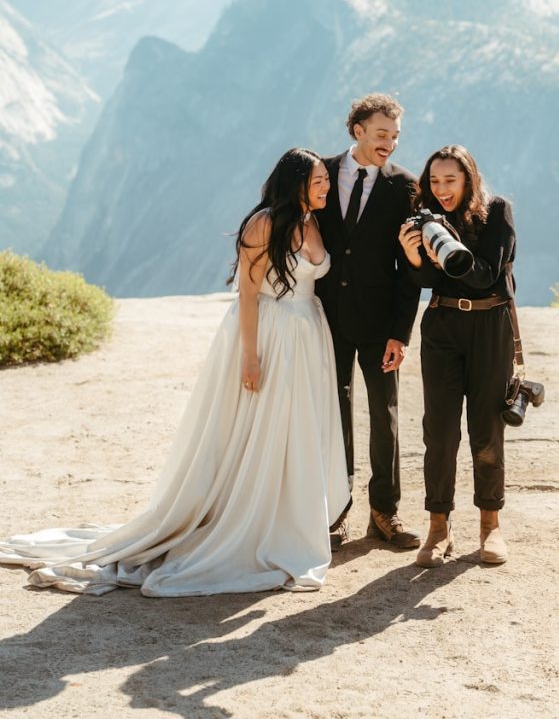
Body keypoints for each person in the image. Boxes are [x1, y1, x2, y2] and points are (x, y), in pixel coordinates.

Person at [0, 149, 350, 595]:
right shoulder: (264, 224)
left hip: (307, 337)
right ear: (296, 182)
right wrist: (250, 355)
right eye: (319, 180)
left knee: (297, 430)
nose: (325, 187)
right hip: (271, 334)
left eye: (325, 180)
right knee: (261, 428)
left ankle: (290, 519)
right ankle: (246, 521)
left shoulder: (312, 221)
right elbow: (246, 293)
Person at [398, 144, 516, 567]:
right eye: (434, 180)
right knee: (440, 431)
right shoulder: (428, 219)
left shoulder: (497, 213)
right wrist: (415, 253)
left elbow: (486, 276)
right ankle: (438, 527)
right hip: (443, 327)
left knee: (487, 430)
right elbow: (425, 280)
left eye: (450, 180)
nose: (441, 188)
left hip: (490, 327)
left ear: (469, 178)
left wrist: (451, 251)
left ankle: (490, 525)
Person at [316, 93, 421, 550]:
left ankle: (385, 512)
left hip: (381, 325)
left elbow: (410, 269)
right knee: (332, 413)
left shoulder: (405, 187)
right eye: (382, 134)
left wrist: (401, 332)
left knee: (386, 414)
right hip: (323, 318)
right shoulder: (317, 172)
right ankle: (335, 512)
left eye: (395, 136)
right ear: (357, 130)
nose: (390, 144)